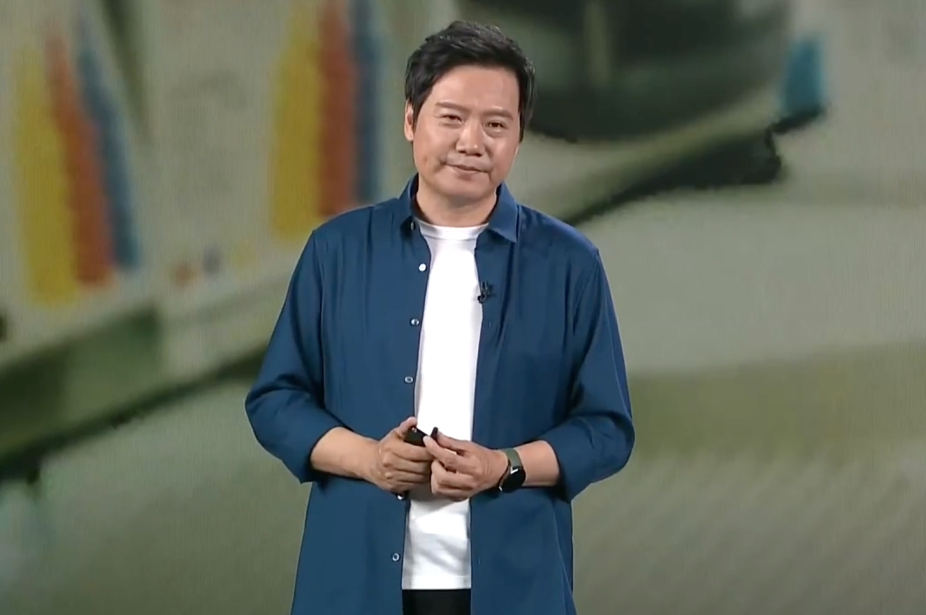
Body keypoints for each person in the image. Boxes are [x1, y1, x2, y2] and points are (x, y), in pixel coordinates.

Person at [246, 20, 635, 615]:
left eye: (496, 125)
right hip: (355, 582)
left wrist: (502, 466)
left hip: (514, 586)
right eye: (451, 117)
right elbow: (277, 400)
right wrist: (369, 460)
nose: (472, 142)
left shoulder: (568, 264)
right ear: (411, 120)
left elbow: (606, 428)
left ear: (519, 136)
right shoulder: (338, 251)